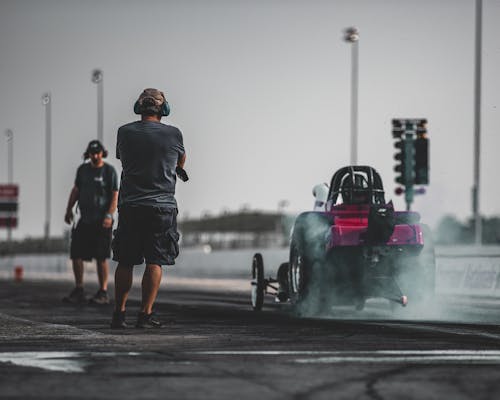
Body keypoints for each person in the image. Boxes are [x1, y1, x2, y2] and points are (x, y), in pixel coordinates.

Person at [111, 88, 186, 329]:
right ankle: (145, 315)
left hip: (131, 205)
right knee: (155, 262)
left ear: (139, 107)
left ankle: (119, 315)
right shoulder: (174, 134)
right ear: (164, 109)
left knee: (125, 261)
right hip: (161, 208)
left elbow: (122, 158)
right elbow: (180, 162)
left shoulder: (124, 132)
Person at [63, 140, 119, 305]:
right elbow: (76, 190)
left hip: (102, 221)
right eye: (92, 153)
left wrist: (109, 215)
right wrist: (68, 210)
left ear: (102, 153)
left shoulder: (109, 171)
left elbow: (115, 194)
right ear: (88, 154)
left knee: (101, 257)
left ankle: (103, 291)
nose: (95, 156)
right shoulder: (83, 170)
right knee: (76, 253)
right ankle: (79, 289)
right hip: (84, 219)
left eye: (98, 153)